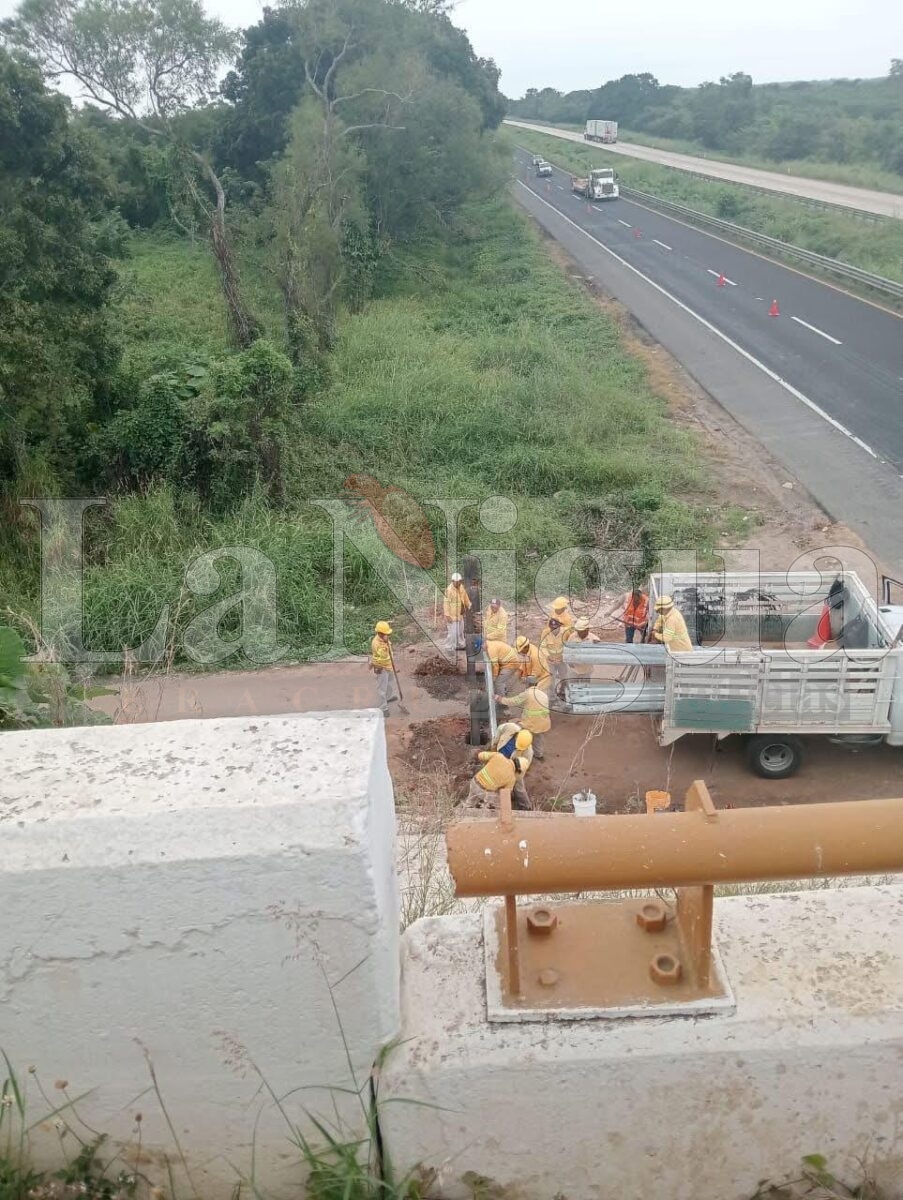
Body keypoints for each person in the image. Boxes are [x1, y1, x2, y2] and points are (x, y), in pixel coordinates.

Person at [497, 682, 550, 760]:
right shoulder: (543, 694)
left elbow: (514, 701)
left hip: (530, 723)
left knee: (516, 732)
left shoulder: (527, 693)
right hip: (543, 722)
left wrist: (500, 699)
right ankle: (539, 754)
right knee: (538, 737)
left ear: (528, 684)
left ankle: (514, 755)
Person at [369, 621, 403, 715]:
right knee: (382, 688)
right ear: (380, 633)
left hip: (388, 666)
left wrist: (392, 666)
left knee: (389, 683)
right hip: (381, 667)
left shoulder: (384, 639)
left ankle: (388, 698)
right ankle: (383, 707)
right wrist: (385, 643)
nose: (387, 635)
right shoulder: (376, 643)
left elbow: (389, 654)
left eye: (388, 634)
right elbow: (384, 657)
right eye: (386, 634)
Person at [539, 616, 568, 694]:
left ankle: (562, 691)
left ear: (559, 626)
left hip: (561, 659)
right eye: (552, 628)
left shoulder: (565, 632)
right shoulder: (545, 632)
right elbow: (542, 646)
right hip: (550, 660)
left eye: (555, 628)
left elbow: (568, 646)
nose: (554, 629)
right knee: (551, 678)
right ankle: (552, 695)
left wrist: (563, 656)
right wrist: (548, 656)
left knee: (564, 676)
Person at [443, 572, 471, 652]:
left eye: (460, 581)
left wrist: (468, 605)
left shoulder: (461, 587)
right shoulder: (449, 590)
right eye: (457, 581)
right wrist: (447, 615)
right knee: (453, 633)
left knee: (460, 632)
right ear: (453, 581)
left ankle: (460, 645)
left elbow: (465, 597)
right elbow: (446, 604)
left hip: (460, 614)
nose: (459, 583)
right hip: (452, 616)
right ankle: (448, 647)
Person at [511, 730, 534, 810]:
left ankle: (526, 806)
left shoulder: (528, 753)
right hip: (512, 766)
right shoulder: (519, 741)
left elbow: (521, 768)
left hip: (518, 771)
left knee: (519, 788)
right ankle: (512, 795)